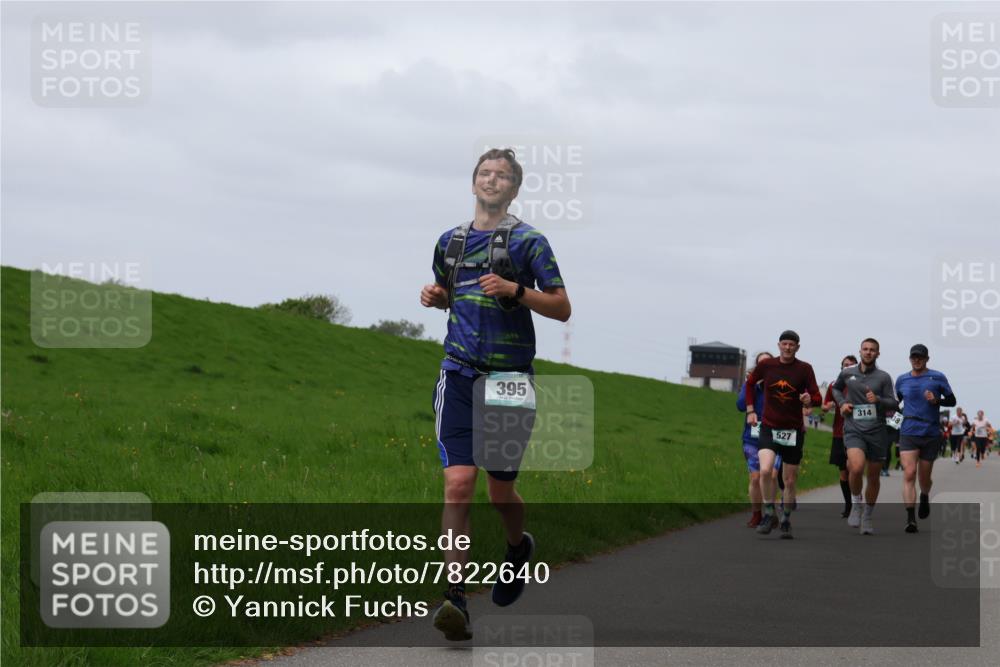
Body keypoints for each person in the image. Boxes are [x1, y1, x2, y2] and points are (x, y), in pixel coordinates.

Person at [421, 148, 571, 641]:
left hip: (509, 380)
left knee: (499, 491)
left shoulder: (530, 242)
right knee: (459, 483)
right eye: (484, 173)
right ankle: (456, 598)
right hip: (459, 374)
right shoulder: (450, 242)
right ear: (473, 183)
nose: (491, 180)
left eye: (501, 175)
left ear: (514, 189)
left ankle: (516, 548)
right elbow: (451, 294)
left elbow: (562, 307)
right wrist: (437, 297)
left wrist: (515, 291)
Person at [745, 330, 822, 539]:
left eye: (792, 344)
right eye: (784, 344)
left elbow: (817, 397)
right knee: (765, 470)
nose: (788, 347)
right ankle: (769, 513)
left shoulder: (804, 369)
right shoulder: (767, 365)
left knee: (789, 480)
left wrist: (810, 400)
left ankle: (786, 519)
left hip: (793, 431)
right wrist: (751, 410)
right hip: (769, 427)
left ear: (797, 347)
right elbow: (750, 384)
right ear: (779, 345)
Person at [832, 338, 898, 535]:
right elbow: (835, 388)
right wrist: (842, 403)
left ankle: (867, 515)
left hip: (877, 431)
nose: (868, 352)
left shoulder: (884, 377)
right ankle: (856, 503)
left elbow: (894, 403)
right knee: (856, 467)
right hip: (854, 428)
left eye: (872, 350)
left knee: (873, 476)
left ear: (878, 354)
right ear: (860, 351)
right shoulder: (847, 372)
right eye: (865, 349)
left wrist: (878, 399)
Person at [895, 344, 957, 533]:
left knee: (924, 477)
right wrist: (892, 421)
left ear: (927, 359)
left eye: (920, 357)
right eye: (914, 357)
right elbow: (896, 403)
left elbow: (952, 400)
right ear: (909, 359)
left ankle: (924, 495)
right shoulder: (902, 380)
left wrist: (937, 400)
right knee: (909, 473)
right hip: (908, 431)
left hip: (930, 432)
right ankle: (910, 518)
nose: (917, 360)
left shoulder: (938, 377)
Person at [737, 352, 783, 528]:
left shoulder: (781, 384)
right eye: (761, 364)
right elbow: (741, 405)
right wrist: (750, 385)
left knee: (771, 474)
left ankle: (770, 511)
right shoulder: (751, 385)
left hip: (775, 436)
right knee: (755, 478)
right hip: (752, 438)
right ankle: (757, 514)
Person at [823, 355, 858, 517]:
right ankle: (849, 505)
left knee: (853, 468)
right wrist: (827, 407)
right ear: (841, 368)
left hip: (858, 432)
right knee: (843, 471)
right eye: (845, 365)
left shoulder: (862, 384)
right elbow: (824, 406)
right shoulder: (833, 385)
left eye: (851, 365)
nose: (848, 367)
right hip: (839, 432)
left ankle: (856, 500)